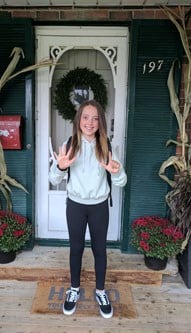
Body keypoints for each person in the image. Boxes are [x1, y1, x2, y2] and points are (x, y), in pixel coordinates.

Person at [49, 100, 127, 319]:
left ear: (100, 121)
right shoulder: (70, 144)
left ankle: (100, 291)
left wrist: (116, 171)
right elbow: (53, 179)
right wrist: (60, 166)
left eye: (95, 118)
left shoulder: (108, 147)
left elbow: (122, 181)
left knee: (99, 250)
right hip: (75, 205)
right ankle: (74, 289)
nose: (90, 122)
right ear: (78, 120)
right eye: (85, 117)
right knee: (76, 249)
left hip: (99, 207)